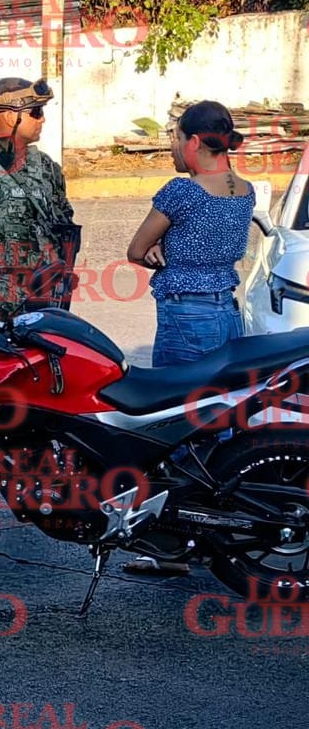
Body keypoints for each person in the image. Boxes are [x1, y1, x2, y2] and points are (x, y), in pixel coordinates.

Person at [124, 100, 254, 575]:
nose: (175, 148)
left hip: (186, 319)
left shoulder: (181, 192)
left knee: (177, 426)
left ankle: (176, 543)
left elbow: (136, 250)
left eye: (178, 138)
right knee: (220, 424)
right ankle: (217, 529)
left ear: (195, 141)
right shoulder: (245, 191)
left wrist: (161, 248)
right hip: (227, 316)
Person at [0, 77, 77, 318]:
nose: (42, 119)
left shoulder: (46, 167)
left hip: (46, 302)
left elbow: (64, 226)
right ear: (11, 116)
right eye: (35, 112)